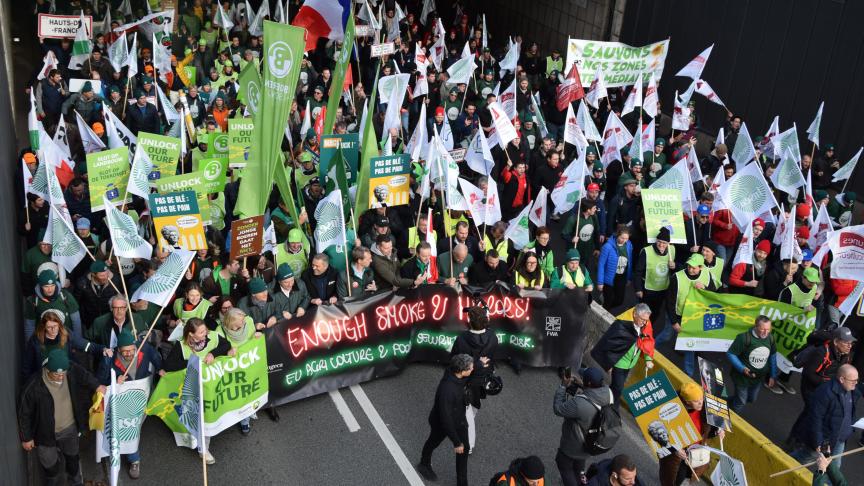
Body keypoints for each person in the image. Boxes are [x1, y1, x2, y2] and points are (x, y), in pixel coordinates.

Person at [18, 349, 105, 486]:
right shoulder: (34, 386)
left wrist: (97, 385)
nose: (61, 377)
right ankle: (53, 481)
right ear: (47, 370)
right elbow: (24, 413)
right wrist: (26, 437)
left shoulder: (70, 368)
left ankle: (76, 482)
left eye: (63, 373)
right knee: (50, 465)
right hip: (45, 435)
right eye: (56, 374)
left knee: (73, 459)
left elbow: (85, 375)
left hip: (69, 429)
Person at [160, 318, 232, 464]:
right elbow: (169, 365)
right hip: (194, 388)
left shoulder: (213, 336)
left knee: (209, 414)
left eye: (205, 330)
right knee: (201, 417)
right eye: (201, 332)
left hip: (212, 385)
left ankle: (204, 447)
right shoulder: (182, 346)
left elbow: (226, 345)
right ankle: (203, 450)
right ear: (191, 335)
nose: (205, 334)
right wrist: (192, 362)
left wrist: (213, 354)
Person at [96, 330, 161, 479]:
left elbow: (156, 359)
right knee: (120, 428)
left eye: (132, 350)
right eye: (125, 352)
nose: (130, 354)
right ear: (118, 350)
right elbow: (100, 381)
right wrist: (113, 381)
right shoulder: (109, 360)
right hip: (119, 402)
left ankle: (134, 459)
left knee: (133, 429)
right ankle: (117, 456)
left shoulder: (144, 348)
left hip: (139, 399)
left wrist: (161, 370)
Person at [417, 354, 473, 485]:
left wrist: (482, 364)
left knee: (464, 449)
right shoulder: (447, 390)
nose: (472, 369)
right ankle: (424, 464)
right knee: (433, 441)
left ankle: (462, 483)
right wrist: (456, 442)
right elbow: (445, 418)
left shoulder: (457, 374)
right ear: (461, 371)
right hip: (442, 423)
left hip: (459, 420)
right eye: (470, 368)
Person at [554, 367, 614, 485]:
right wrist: (582, 384)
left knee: (563, 464)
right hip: (592, 442)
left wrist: (562, 387)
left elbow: (558, 409)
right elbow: (594, 393)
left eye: (583, 378)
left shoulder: (579, 404)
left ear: (590, 383)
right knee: (579, 466)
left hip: (574, 444)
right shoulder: (608, 393)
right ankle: (582, 481)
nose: (582, 378)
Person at [450, 305, 498, 454]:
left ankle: (468, 444)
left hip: (467, 381)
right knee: (474, 406)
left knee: (467, 411)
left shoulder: (462, 339)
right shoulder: (492, 337)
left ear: (469, 321)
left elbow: (454, 360)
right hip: (484, 379)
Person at [658, 382, 724, 486]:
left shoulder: (704, 407)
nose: (701, 403)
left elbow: (706, 431)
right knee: (673, 479)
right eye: (696, 401)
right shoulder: (670, 410)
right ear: (687, 402)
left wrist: (717, 431)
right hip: (678, 454)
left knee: (687, 477)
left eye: (701, 399)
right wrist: (674, 449)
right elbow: (659, 435)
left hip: (694, 451)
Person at [590, 303, 655, 401]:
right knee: (618, 389)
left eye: (647, 320)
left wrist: (648, 359)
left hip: (630, 364)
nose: (644, 323)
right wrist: (609, 365)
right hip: (619, 363)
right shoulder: (621, 325)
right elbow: (608, 344)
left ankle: (604, 403)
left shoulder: (645, 325)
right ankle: (610, 406)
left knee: (615, 388)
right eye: (642, 319)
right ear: (635, 314)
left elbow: (646, 342)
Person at [217, 308, 263, 435]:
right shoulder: (219, 331)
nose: (244, 320)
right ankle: (238, 418)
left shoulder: (248, 321)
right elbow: (217, 351)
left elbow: (253, 338)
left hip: (250, 363)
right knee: (238, 394)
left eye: (243, 318)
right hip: (233, 369)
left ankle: (246, 419)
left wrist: (257, 335)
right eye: (240, 319)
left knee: (249, 391)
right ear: (231, 321)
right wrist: (227, 352)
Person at [726, 315, 778, 413]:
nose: (766, 332)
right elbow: (731, 354)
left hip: (758, 378)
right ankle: (730, 422)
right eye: (763, 329)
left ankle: (725, 402)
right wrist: (742, 368)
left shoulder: (770, 338)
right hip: (742, 378)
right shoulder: (743, 338)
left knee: (751, 399)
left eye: (768, 329)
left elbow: (773, 356)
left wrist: (773, 375)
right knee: (741, 402)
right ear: (756, 326)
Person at [633, 228, 676, 330]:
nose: (661, 245)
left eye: (664, 243)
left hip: (662, 290)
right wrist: (638, 289)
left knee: (655, 313)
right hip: (647, 289)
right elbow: (638, 271)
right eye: (659, 242)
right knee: (643, 313)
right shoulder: (646, 252)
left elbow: (674, 271)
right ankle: (638, 330)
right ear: (656, 241)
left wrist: (674, 266)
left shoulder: (672, 250)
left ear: (668, 244)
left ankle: (647, 329)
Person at [596, 227, 633, 311]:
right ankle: (603, 314)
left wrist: (629, 277)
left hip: (621, 277)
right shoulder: (607, 247)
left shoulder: (629, 245)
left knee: (619, 301)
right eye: (622, 238)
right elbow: (601, 264)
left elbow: (630, 262)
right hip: (609, 278)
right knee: (608, 303)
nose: (624, 240)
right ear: (617, 235)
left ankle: (603, 304)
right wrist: (600, 282)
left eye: (626, 238)